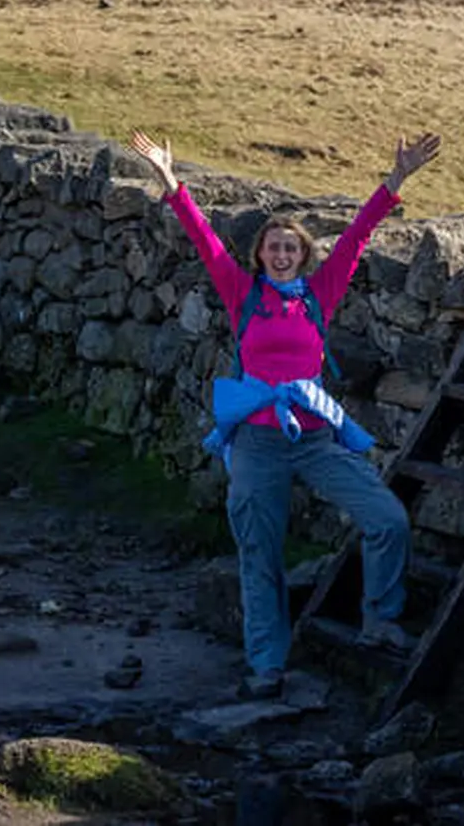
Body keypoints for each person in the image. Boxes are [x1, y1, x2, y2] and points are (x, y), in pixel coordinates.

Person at [129, 128, 441, 698]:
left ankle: (380, 620)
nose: (280, 253)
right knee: (259, 551)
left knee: (387, 518)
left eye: (290, 248)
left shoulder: (319, 294)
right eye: (272, 247)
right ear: (260, 255)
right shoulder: (242, 292)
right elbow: (203, 239)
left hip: (318, 436)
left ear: (302, 255)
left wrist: (397, 179)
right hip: (256, 442)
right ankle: (267, 664)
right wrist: (170, 181)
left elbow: (358, 236)